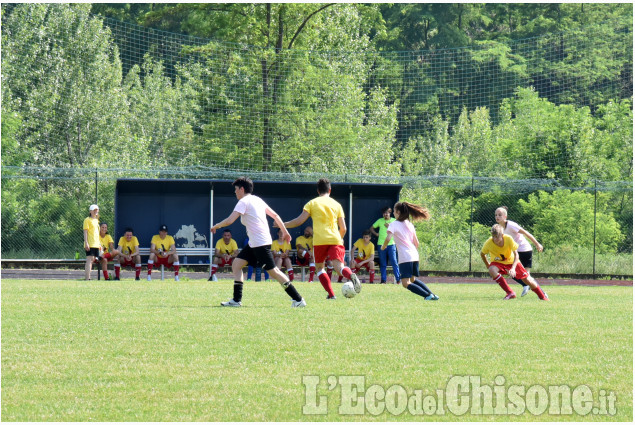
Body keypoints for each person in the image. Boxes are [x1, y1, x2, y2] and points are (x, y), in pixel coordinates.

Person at [210, 177, 306, 308]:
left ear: (242, 189)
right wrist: (285, 231)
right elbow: (276, 216)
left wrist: (216, 226)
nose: (235, 192)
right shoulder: (258, 200)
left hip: (260, 243)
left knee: (274, 272)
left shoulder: (243, 201)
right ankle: (236, 300)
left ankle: (298, 299)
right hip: (255, 243)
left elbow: (229, 221)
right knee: (237, 265)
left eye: (236, 189)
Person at [282, 178, 361, 299]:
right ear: (330, 190)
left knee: (319, 268)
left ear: (318, 190)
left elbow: (299, 221)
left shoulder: (312, 203)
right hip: (335, 239)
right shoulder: (337, 204)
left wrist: (283, 224)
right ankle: (351, 275)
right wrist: (339, 239)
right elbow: (343, 228)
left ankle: (331, 294)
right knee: (339, 268)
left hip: (319, 241)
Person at [381, 202, 439, 300]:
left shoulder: (393, 224)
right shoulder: (410, 224)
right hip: (414, 255)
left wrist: (383, 247)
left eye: (394, 212)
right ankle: (432, 295)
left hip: (405, 257)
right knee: (412, 279)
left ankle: (427, 295)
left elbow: (388, 238)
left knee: (405, 283)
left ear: (398, 212)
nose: (393, 214)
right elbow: (417, 243)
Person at [480, 224, 549, 301]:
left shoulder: (508, 239)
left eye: (497, 237)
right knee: (492, 269)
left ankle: (542, 296)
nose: (495, 239)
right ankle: (510, 293)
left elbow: (516, 255)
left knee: (527, 280)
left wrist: (513, 268)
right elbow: (482, 254)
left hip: (512, 262)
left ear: (502, 235)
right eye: (493, 236)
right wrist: (488, 265)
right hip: (498, 263)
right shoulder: (489, 242)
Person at [495, 206, 544, 297]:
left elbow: (525, 232)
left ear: (505, 216)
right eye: (496, 215)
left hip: (524, 250)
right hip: (515, 252)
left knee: (525, 276)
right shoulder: (499, 229)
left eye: (500, 215)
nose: (497, 217)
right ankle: (528, 286)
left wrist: (537, 244)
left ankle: (539, 292)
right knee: (513, 272)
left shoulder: (511, 225)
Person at [371, 206, 401, 284]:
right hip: (381, 245)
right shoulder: (380, 221)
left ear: (390, 213)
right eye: (384, 213)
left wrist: (390, 226)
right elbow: (371, 228)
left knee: (394, 262)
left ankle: (398, 279)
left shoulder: (394, 221)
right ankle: (383, 280)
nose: (386, 214)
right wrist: (376, 234)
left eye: (387, 213)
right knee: (383, 263)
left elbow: (399, 231)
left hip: (391, 244)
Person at [83, 204, 100, 280]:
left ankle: (89, 277)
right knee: (89, 260)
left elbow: (97, 233)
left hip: (96, 244)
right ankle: (87, 278)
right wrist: (86, 242)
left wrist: (99, 244)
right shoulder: (87, 220)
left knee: (92, 260)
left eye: (97, 210)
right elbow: (85, 232)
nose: (96, 211)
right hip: (90, 243)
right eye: (94, 210)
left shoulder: (96, 220)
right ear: (90, 211)